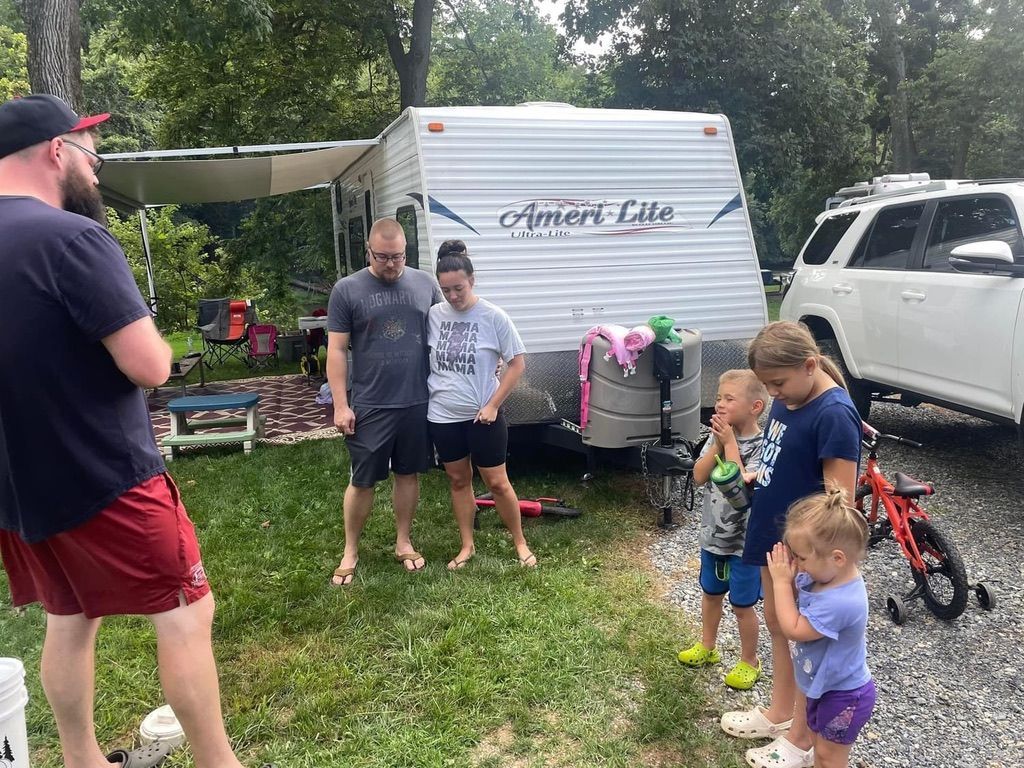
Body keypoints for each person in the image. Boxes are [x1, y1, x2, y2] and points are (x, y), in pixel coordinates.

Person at [0, 94, 272, 768]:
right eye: (91, 155)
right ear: (56, 151)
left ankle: (80, 760)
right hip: (105, 475)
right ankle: (219, 763)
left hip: (18, 492)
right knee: (185, 610)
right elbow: (150, 365)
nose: (96, 171)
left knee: (69, 617)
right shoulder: (71, 238)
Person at [720, 321, 861, 768]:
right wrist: (756, 475)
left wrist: (810, 564)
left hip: (804, 551)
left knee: (806, 646)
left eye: (779, 384)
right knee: (779, 628)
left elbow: (840, 505)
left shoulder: (834, 414)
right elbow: (780, 455)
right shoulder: (791, 397)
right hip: (772, 537)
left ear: (809, 365)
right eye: (769, 386)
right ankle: (780, 714)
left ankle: (800, 738)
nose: (774, 395)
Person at [327, 218, 443, 586]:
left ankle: (403, 541)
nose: (391, 265)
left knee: (408, 473)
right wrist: (341, 405)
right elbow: (336, 350)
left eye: (398, 257)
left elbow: (446, 330)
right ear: (368, 250)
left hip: (416, 401)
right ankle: (350, 550)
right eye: (383, 258)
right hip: (371, 403)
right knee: (362, 480)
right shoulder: (347, 290)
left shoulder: (426, 283)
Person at [426, 240, 536, 569]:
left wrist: (493, 404)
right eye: (446, 290)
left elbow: (516, 364)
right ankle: (466, 545)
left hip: (482, 417)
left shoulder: (493, 316)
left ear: (472, 280)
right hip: (442, 416)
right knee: (459, 481)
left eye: (458, 288)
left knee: (497, 483)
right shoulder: (433, 315)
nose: (453, 296)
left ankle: (519, 542)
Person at [765, 489, 876, 768]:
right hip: (825, 688)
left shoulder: (841, 601)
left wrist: (780, 582)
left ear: (837, 558)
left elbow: (793, 628)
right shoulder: (826, 578)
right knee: (819, 748)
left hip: (844, 697)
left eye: (801, 558)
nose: (797, 565)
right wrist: (796, 572)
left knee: (829, 758)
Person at [677, 370, 766, 691]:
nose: (721, 404)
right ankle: (707, 646)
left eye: (730, 398)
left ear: (755, 406)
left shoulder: (763, 445)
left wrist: (730, 444)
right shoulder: (717, 437)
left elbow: (740, 490)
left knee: (743, 605)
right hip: (713, 537)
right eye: (718, 398)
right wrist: (717, 443)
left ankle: (749, 661)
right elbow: (699, 476)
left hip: (745, 544)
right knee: (711, 594)